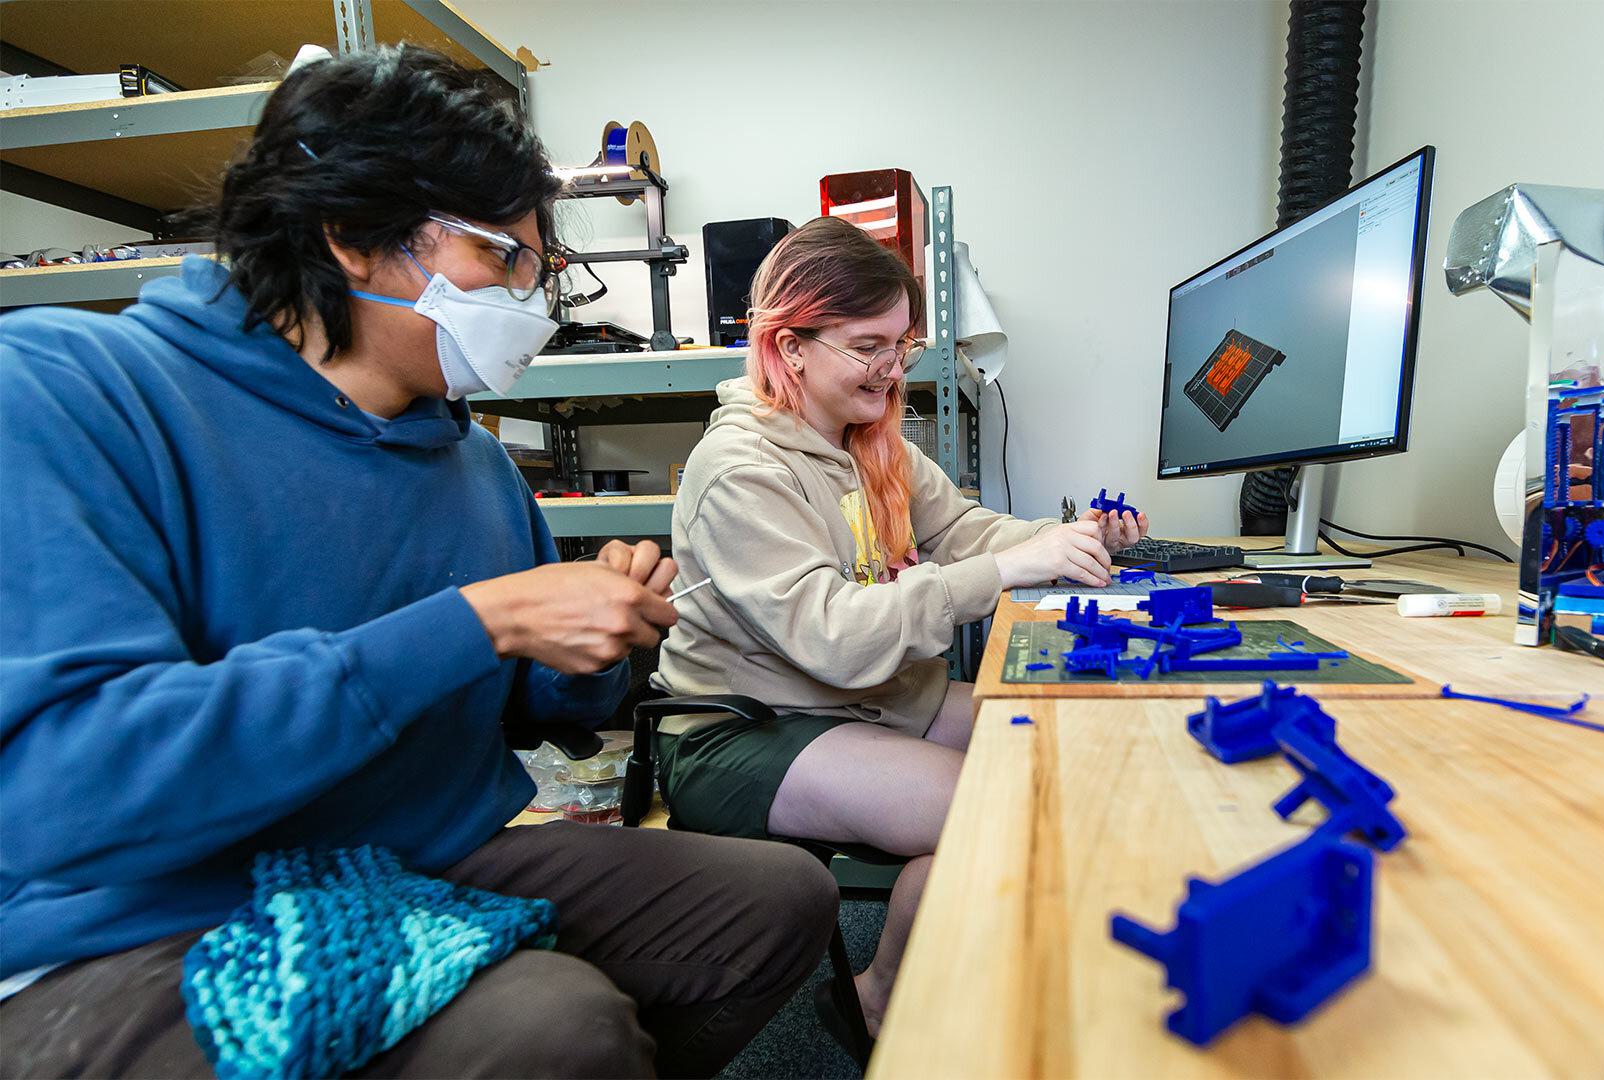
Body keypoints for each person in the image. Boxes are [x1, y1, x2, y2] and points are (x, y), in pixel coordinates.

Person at [0, 46, 835, 1079]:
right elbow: (70, 791)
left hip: (426, 854)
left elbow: (542, 711)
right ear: (351, 237)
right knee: (551, 1025)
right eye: (506, 261)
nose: (532, 303)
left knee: (775, 900)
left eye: (543, 269)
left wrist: (594, 643)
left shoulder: (473, 460)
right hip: (151, 911)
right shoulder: (73, 393)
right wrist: (476, 623)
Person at [652, 216, 1148, 1040]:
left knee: (1052, 741)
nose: (890, 369)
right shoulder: (741, 468)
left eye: (900, 345)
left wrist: (1066, 539)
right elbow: (833, 637)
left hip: (860, 699)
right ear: (791, 345)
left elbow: (964, 535)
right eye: (867, 345)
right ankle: (880, 998)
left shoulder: (868, 442)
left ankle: (928, 964)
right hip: (741, 728)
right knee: (992, 804)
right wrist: (1004, 573)